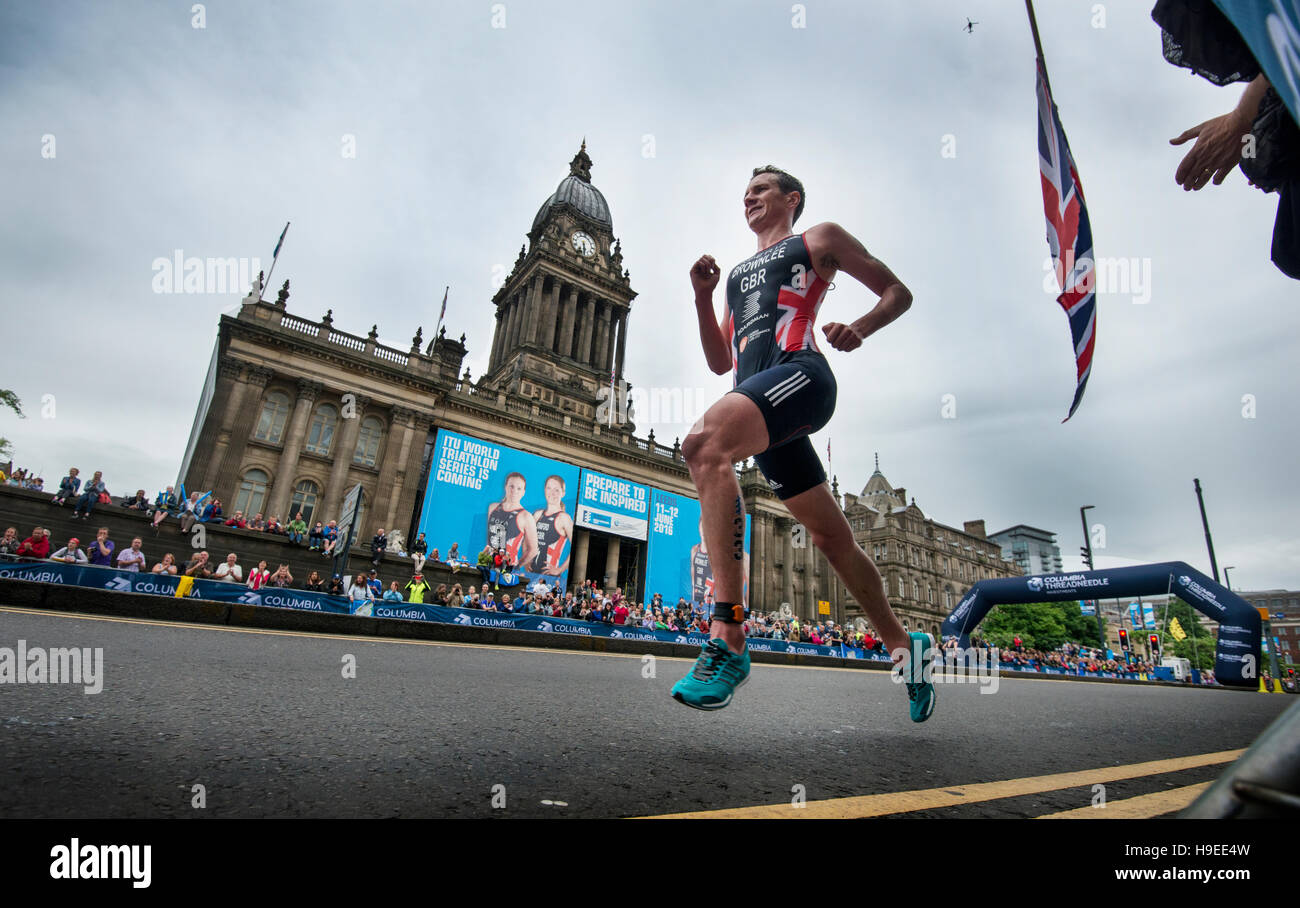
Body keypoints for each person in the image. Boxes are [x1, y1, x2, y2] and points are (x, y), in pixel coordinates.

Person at [668, 165, 934, 721]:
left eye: (761, 188)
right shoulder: (739, 274)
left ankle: (729, 632)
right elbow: (722, 361)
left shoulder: (820, 239)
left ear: (792, 199)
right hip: (762, 404)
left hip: (803, 376)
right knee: (833, 539)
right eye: (745, 191)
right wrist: (702, 297)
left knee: (702, 447)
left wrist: (860, 327)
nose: (749, 196)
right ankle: (906, 648)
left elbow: (897, 292)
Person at [486, 473, 539, 569]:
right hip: (489, 563)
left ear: (523, 492)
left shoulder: (526, 516)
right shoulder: (493, 507)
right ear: (505, 487)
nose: (514, 491)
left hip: (507, 567)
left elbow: (534, 550)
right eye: (511, 486)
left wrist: (517, 566)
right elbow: (489, 538)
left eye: (519, 488)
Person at [530, 475, 573, 577]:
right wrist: (526, 560)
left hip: (549, 577)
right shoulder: (538, 514)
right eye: (549, 488)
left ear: (563, 493)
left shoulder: (564, 518)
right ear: (544, 490)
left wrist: (560, 569)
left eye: (556, 490)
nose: (552, 493)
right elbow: (527, 538)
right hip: (530, 574)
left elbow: (575, 546)